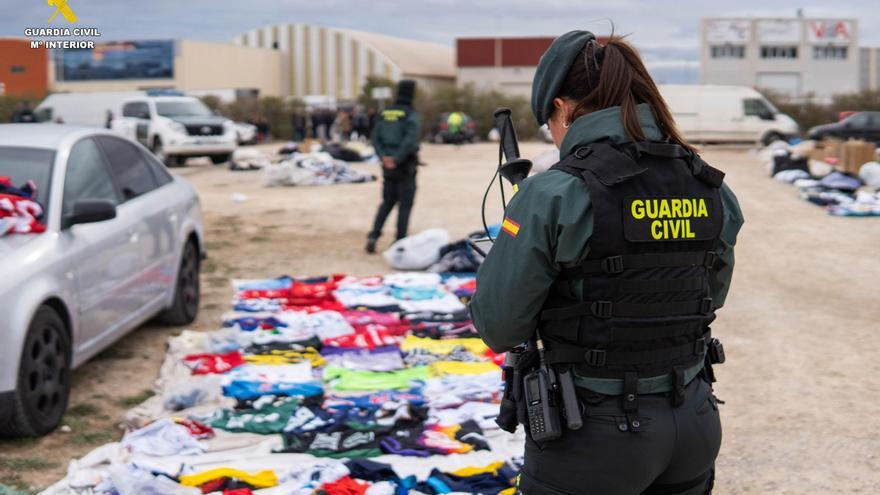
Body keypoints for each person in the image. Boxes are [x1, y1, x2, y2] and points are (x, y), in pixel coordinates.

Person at [470, 31, 744, 495]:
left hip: (591, 439)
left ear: (561, 107)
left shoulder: (554, 193)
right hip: (693, 423)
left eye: (549, 124)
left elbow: (500, 326)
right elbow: (707, 297)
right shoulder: (710, 184)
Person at [365, 79, 421, 253]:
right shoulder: (410, 114)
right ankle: (399, 242)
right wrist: (396, 158)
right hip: (404, 166)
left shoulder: (385, 112)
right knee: (405, 204)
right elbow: (410, 140)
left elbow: (375, 137)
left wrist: (384, 157)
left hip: (387, 166)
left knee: (387, 202)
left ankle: (374, 236)